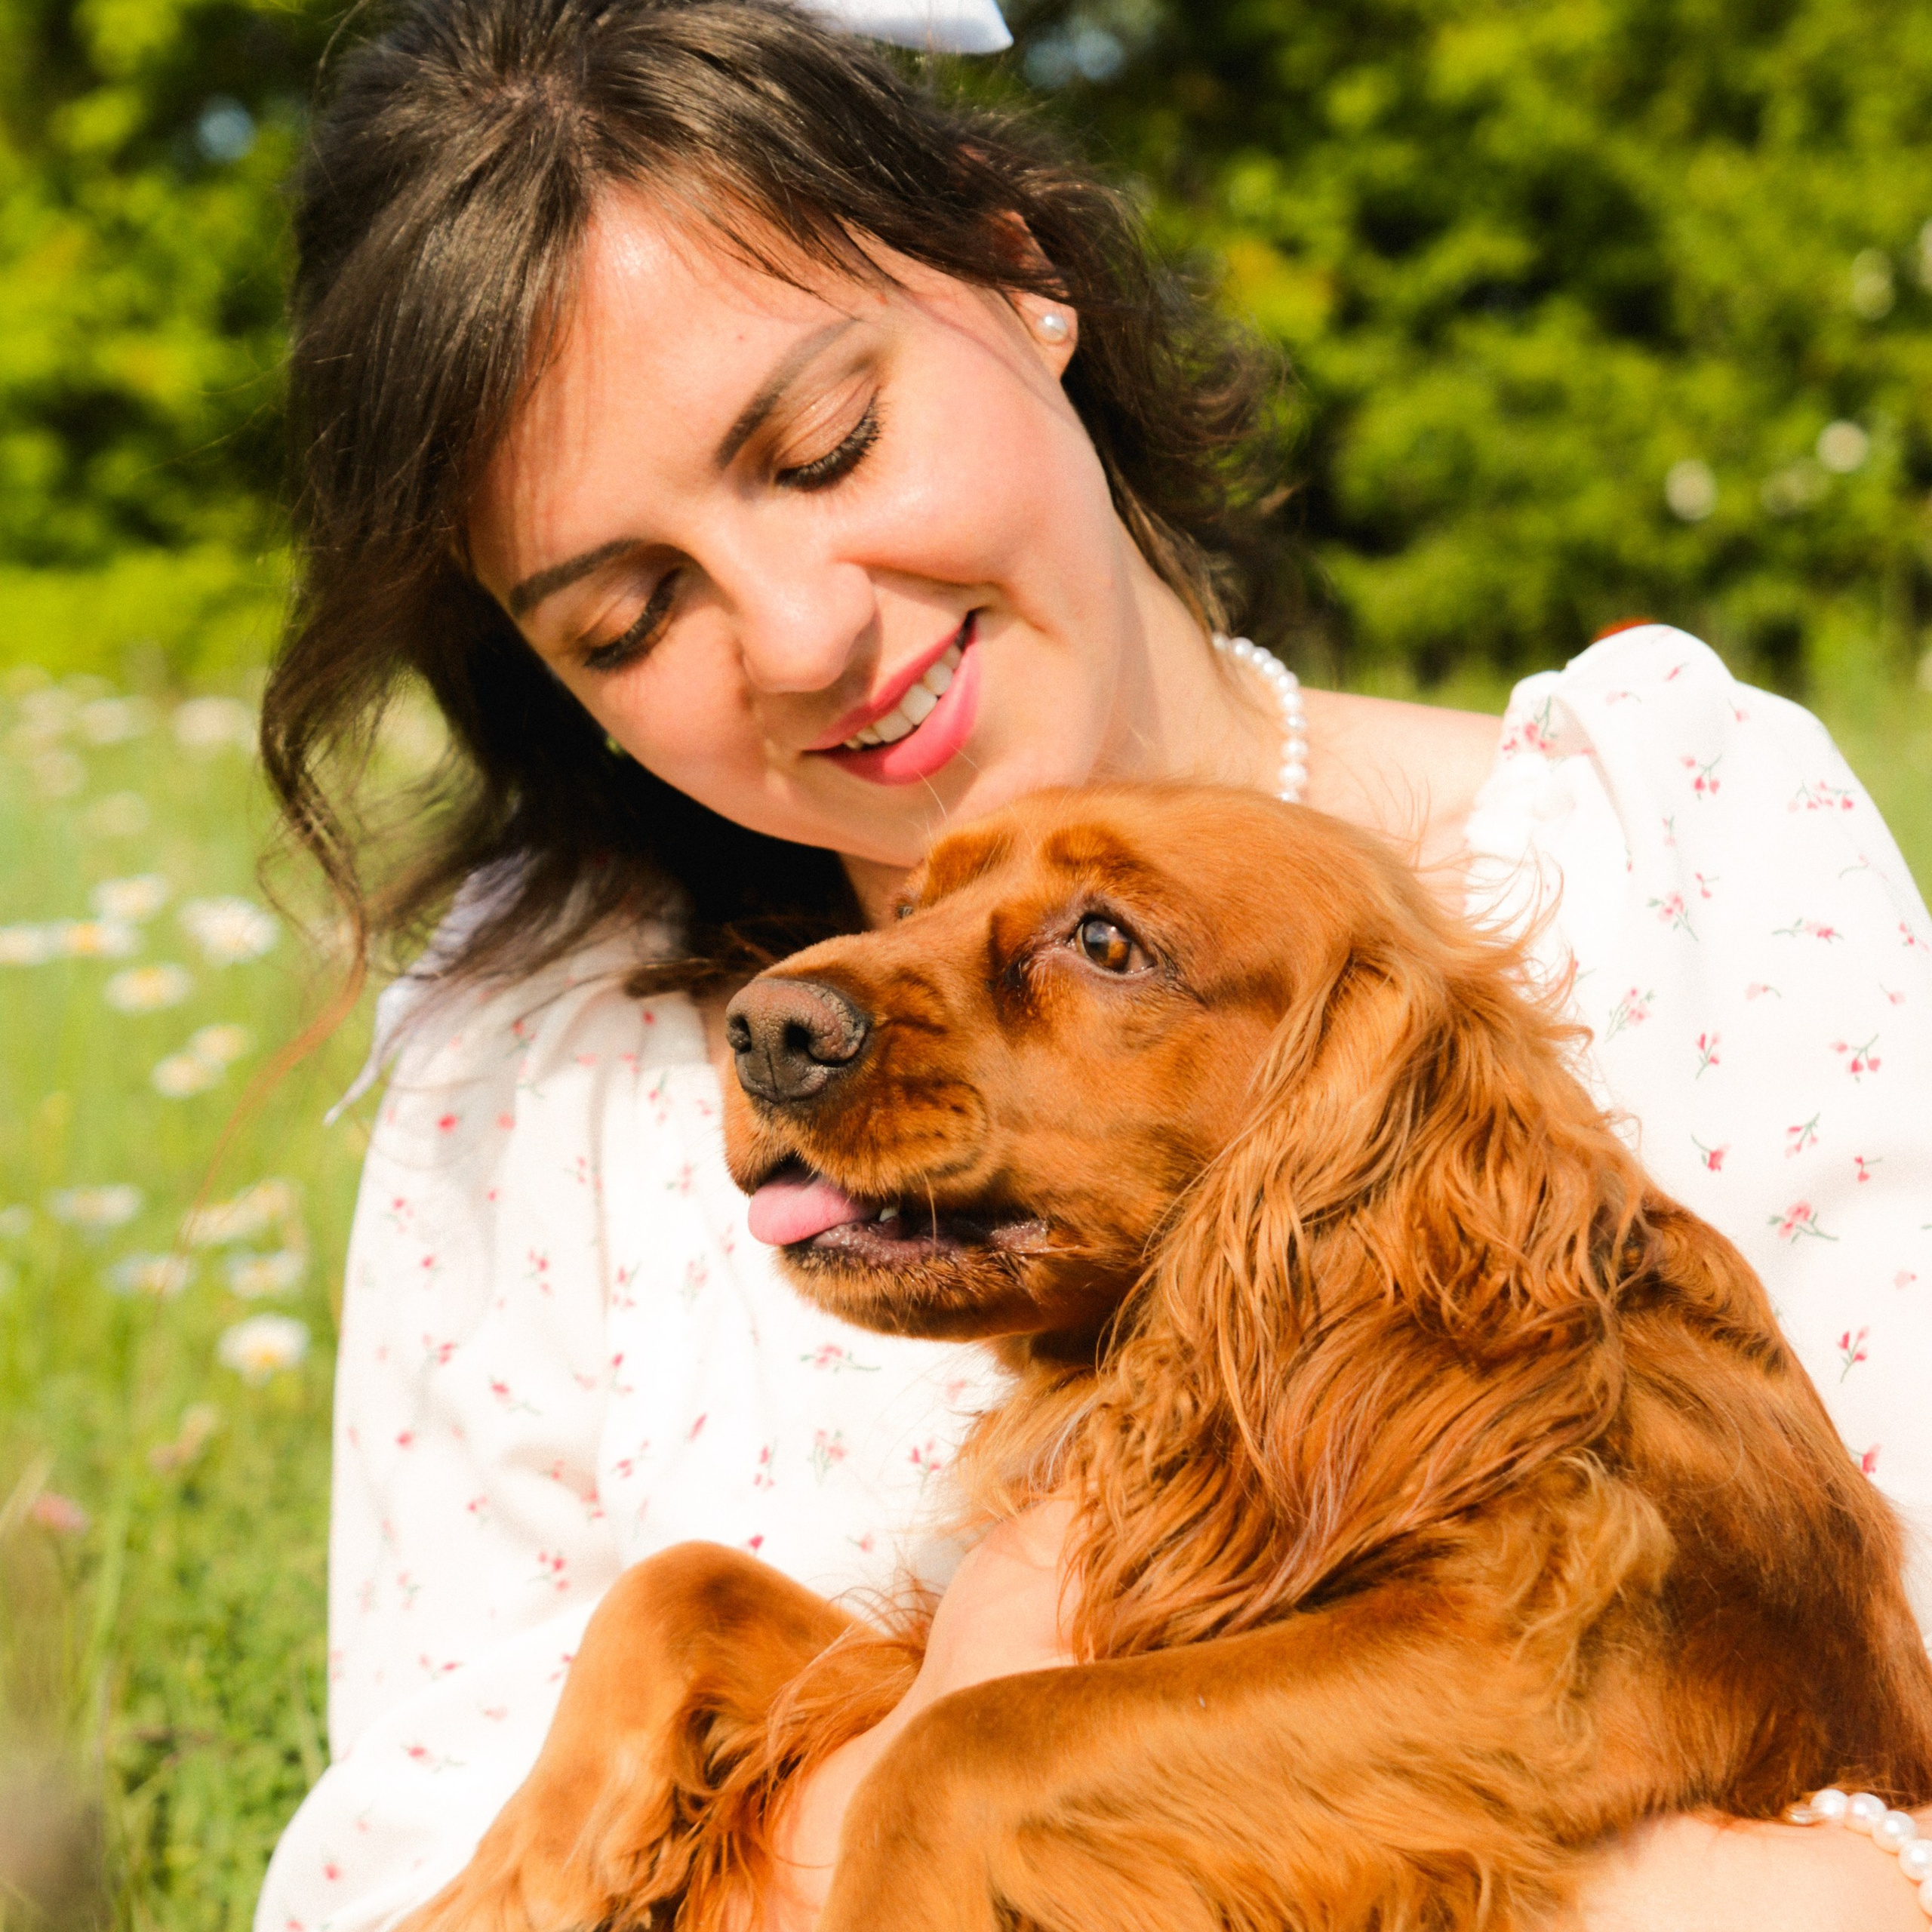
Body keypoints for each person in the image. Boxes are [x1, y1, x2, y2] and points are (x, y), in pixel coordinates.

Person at [252, 0, 1932, 1926]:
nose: (802, 638)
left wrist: (1004, 1790)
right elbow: (392, 1874)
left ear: (1015, 267)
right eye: (631, 616)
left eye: (828, 444)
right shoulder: (549, 1055)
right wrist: (947, 1738)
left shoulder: (1676, 850)